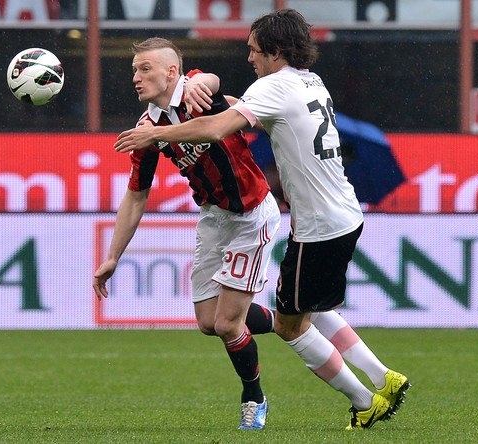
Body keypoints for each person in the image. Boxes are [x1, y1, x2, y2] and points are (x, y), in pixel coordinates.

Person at [114, 10, 410, 430]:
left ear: (274, 50)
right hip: (331, 214)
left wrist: (159, 131)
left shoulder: (271, 87)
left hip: (314, 223)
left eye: (254, 50)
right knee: (299, 307)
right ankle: (383, 377)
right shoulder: (310, 80)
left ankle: (365, 402)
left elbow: (216, 125)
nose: (249, 58)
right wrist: (211, 92)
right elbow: (235, 103)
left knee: (290, 325)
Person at [93, 37, 281, 430]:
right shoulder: (148, 129)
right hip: (214, 217)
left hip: (251, 213)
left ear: (172, 72)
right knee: (209, 322)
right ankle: (286, 321)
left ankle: (254, 398)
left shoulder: (195, 90)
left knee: (228, 325)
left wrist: (203, 81)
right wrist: (112, 256)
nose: (136, 77)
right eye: (134, 70)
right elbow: (136, 196)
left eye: (145, 69)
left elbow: (209, 83)